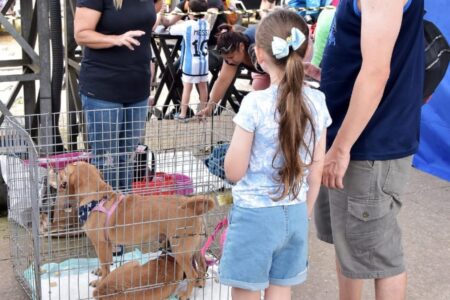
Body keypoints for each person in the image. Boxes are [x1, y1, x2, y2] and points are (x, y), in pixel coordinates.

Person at [314, 0, 424, 299]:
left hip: (367, 143)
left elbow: (376, 73)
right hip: (346, 135)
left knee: (380, 257)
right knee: (349, 242)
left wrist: (340, 149)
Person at [219, 9, 331, 300]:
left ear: (259, 54)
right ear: (305, 51)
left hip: (255, 216)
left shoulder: (255, 103)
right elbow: (316, 169)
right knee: (281, 288)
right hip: (295, 213)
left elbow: (233, 171)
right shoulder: (318, 101)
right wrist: (303, 213)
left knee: (246, 290)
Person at [74, 0, 159, 190]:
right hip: (103, 88)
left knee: (128, 156)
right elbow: (81, 34)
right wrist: (116, 39)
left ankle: (125, 213)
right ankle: (105, 214)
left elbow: (152, 13)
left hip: (138, 87)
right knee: (107, 159)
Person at [197, 24, 271, 116]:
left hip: (278, 60)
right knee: (259, 88)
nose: (229, 61)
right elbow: (223, 80)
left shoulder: (259, 47)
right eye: (226, 58)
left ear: (241, 47)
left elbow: (280, 73)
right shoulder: (231, 56)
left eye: (231, 57)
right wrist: (210, 107)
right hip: (260, 69)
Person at [168, 0, 210, 121]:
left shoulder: (187, 25)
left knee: (187, 87)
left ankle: (183, 114)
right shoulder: (206, 24)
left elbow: (171, 30)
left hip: (190, 62)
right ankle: (202, 113)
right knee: (203, 87)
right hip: (203, 61)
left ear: (190, 11)